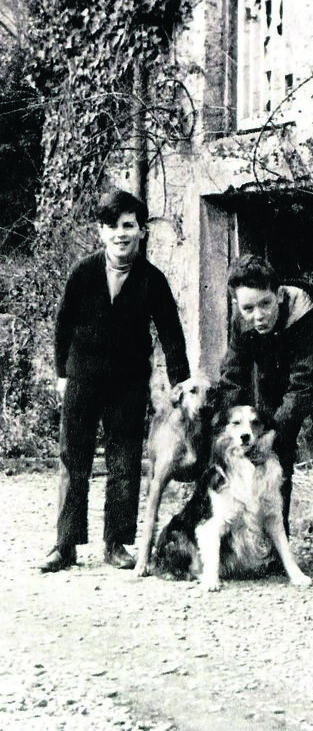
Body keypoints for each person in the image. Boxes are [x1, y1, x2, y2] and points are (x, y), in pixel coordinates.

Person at [40, 189, 190, 572]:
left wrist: (181, 386)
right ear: (100, 231)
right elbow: (63, 324)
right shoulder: (84, 272)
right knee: (75, 461)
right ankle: (65, 545)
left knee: (124, 464)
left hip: (127, 386)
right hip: (82, 380)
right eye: (112, 226)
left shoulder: (152, 280)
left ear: (141, 231)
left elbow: (172, 335)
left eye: (128, 225)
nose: (120, 234)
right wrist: (61, 374)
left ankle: (116, 543)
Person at [217, 254, 313, 581]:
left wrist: (273, 433)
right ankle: (278, 549)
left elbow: (305, 384)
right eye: (247, 309)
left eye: (265, 304)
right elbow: (232, 376)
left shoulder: (310, 317)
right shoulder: (244, 321)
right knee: (276, 454)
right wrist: (228, 422)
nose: (258, 316)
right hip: (277, 376)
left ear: (279, 294)